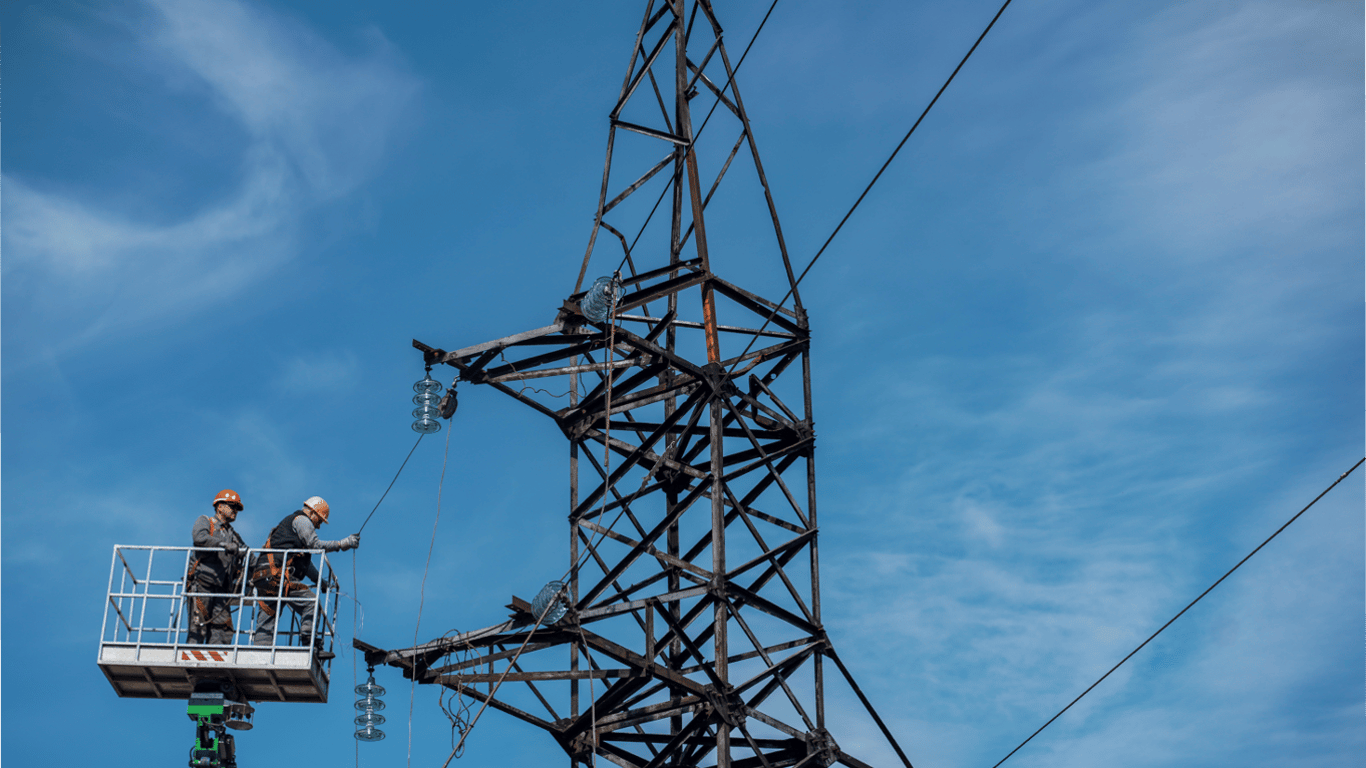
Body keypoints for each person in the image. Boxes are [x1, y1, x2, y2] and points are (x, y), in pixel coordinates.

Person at [250, 496, 359, 660]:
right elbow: (315, 545)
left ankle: (259, 656)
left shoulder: (291, 533)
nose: (319, 525)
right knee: (310, 602)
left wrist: (320, 581)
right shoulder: (302, 520)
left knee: (267, 616)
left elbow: (304, 565)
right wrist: (342, 544)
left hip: (264, 577)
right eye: (319, 520)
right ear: (312, 512)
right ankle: (310, 646)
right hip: (276, 575)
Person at [186, 489, 248, 644]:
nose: (235, 511)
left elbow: (248, 555)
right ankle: (194, 665)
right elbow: (199, 538)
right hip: (202, 584)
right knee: (198, 629)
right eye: (232, 506)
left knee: (223, 631)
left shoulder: (233, 535)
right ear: (219, 506)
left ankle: (216, 665)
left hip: (221, 589)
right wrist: (223, 545)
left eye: (237, 508)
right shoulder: (206, 521)